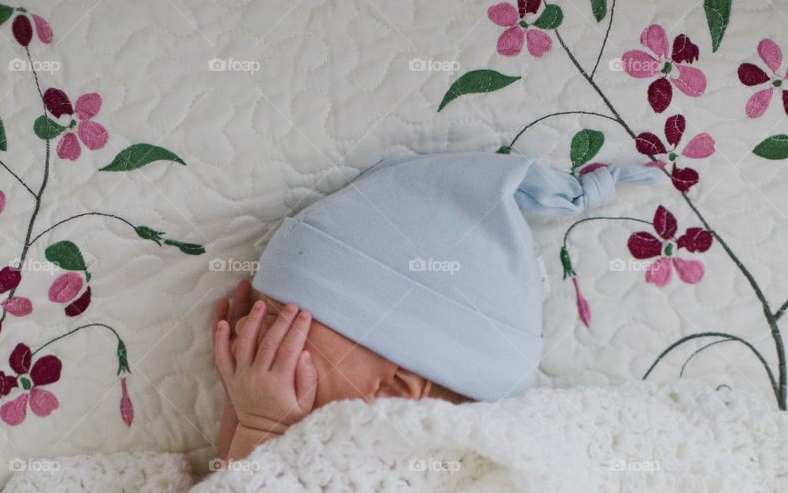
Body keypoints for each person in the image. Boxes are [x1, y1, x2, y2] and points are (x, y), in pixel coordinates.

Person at [210, 150, 660, 461]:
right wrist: (244, 413)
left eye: (278, 328)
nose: (250, 338)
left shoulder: (396, 468)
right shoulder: (310, 444)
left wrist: (264, 427)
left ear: (395, 392)